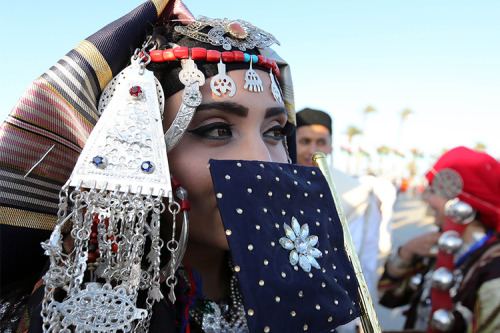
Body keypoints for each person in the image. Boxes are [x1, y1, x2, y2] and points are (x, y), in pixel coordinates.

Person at [0, 1, 364, 332]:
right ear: (135, 152)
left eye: (273, 132)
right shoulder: (83, 314)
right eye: (218, 130)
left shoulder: (307, 296)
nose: (261, 161)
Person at [378, 146, 500, 332]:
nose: (425, 198)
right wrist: (407, 252)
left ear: (461, 202)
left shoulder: (494, 268)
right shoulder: (440, 244)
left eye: (433, 191)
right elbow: (387, 295)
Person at [295, 108, 382, 333]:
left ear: (331, 146)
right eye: (304, 141)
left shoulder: (356, 194)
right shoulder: (272, 182)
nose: (312, 150)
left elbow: (366, 257)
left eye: (321, 142)